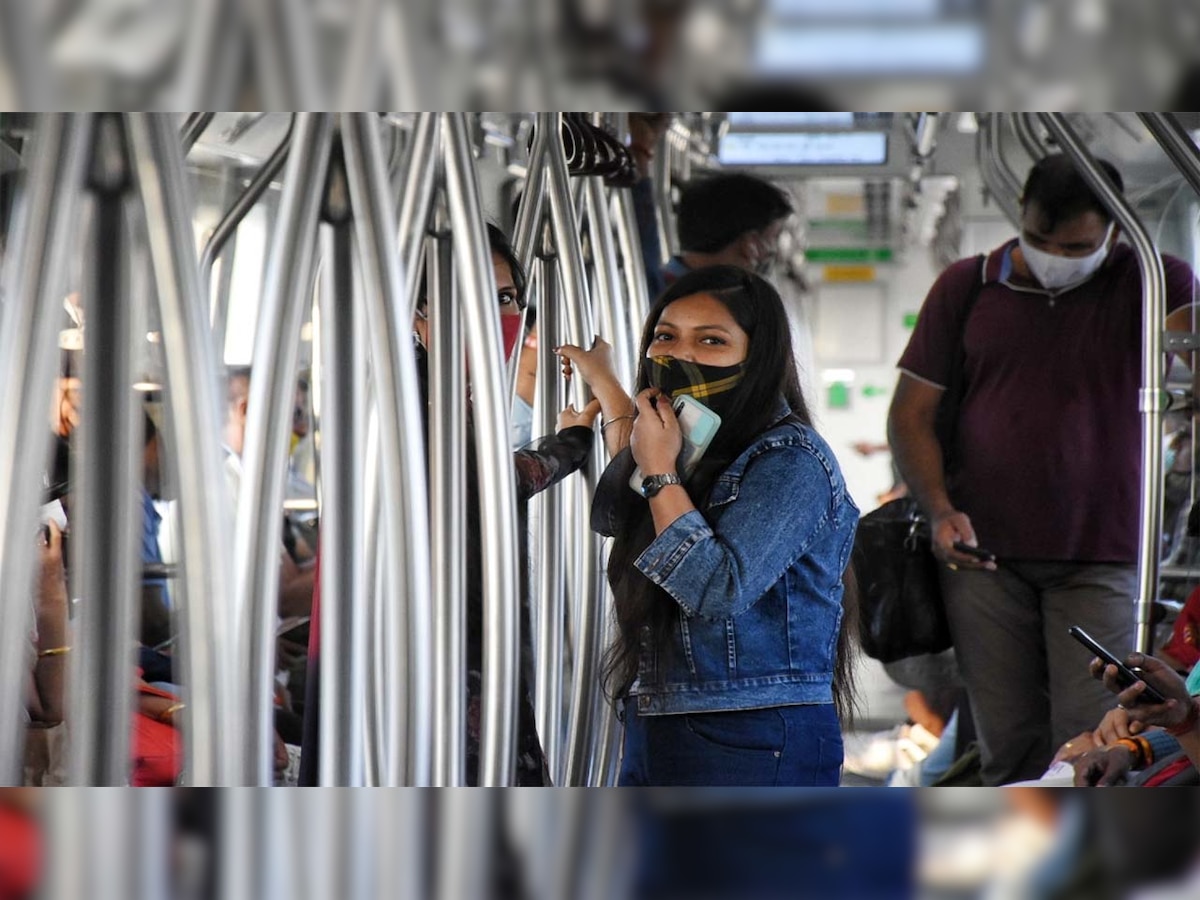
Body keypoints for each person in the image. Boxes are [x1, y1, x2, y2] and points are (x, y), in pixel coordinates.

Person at [888, 153, 1200, 785]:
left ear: (1117, 230)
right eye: (1039, 241)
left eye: (1076, 245)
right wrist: (940, 508)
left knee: (1097, 738)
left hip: (1104, 554)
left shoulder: (1156, 280)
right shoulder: (969, 287)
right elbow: (912, 415)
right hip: (985, 558)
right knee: (1008, 740)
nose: (1056, 255)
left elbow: (1192, 355)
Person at [300, 223, 600, 786]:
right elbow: (483, 480)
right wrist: (574, 443)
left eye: (506, 299)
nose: (491, 318)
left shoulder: (449, 397)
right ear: (418, 318)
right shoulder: (407, 403)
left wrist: (569, 441)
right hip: (426, 676)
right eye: (464, 300)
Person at [560, 265, 859, 786]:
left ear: (757, 357)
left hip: (753, 732)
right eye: (665, 336)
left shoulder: (791, 461)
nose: (682, 356)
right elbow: (637, 497)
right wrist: (604, 381)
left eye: (712, 340)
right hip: (662, 718)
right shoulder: (697, 448)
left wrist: (658, 468)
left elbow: (717, 586)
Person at [661, 172, 793, 285]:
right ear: (750, 244)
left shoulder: (657, 287)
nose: (773, 251)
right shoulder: (706, 305)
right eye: (773, 238)